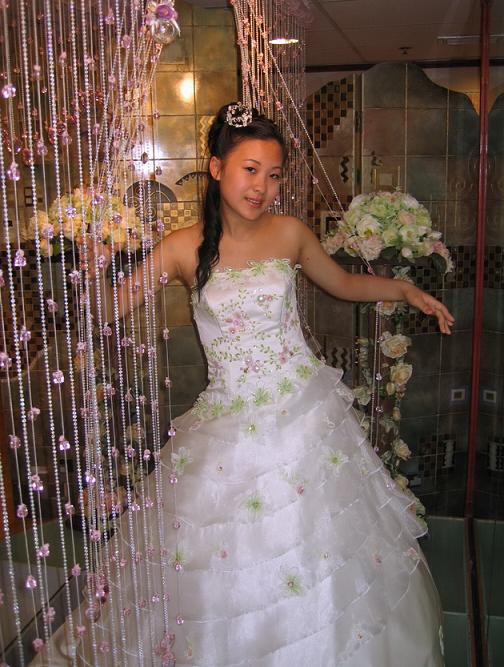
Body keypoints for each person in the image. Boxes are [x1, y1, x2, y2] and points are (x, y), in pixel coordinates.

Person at [34, 103, 452, 666]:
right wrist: (91, 267)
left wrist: (405, 291)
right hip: (226, 423)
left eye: (273, 175)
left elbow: (345, 283)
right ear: (216, 167)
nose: (262, 187)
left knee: (324, 557)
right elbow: (108, 309)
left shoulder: (290, 233)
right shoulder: (182, 246)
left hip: (305, 416)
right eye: (250, 169)